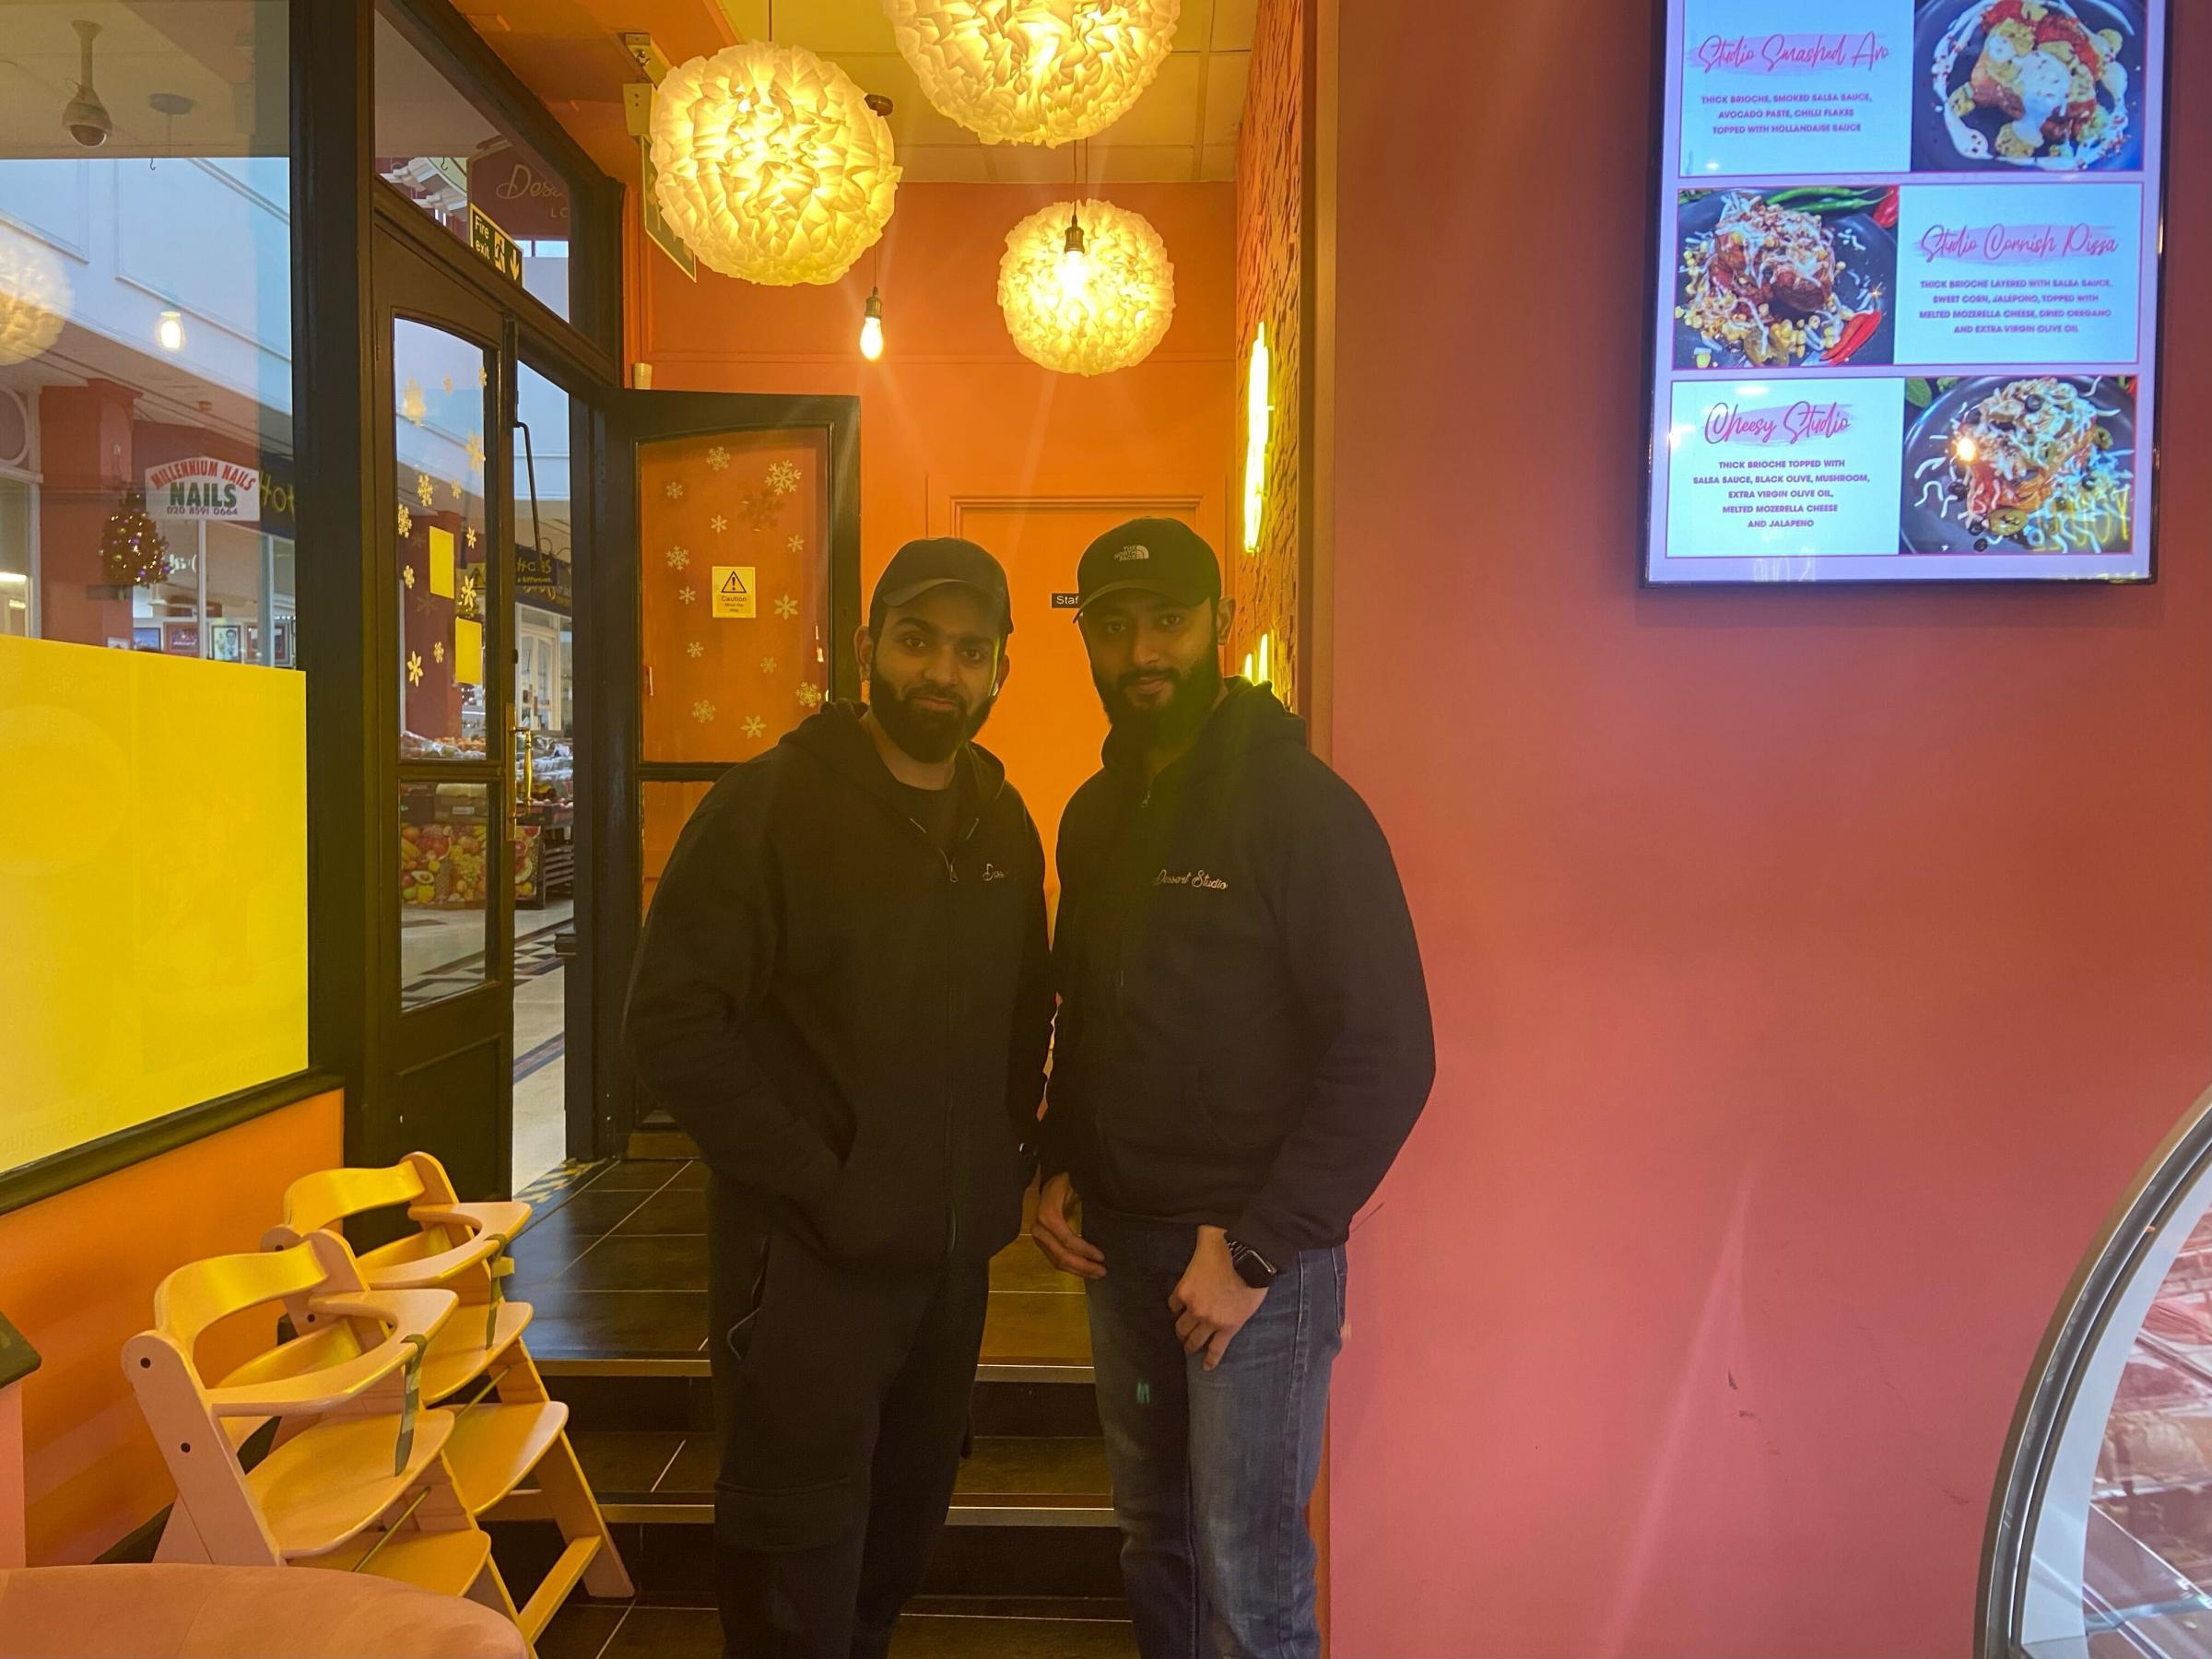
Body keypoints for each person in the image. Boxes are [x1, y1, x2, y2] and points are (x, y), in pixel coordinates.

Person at [624, 537, 1053, 1659]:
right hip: (807, 1268)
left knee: (893, 1556)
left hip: (946, 1278)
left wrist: (1008, 1162)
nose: (941, 674)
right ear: (867, 648)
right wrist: (824, 1185)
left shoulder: (1003, 825)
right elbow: (670, 1029)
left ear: (1001, 669)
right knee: (791, 1579)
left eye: (970, 651)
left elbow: (1023, 1014)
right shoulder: (768, 809)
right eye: (918, 642)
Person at [1032, 518, 1434, 1659]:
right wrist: (1059, 1155)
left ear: (1223, 624)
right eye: (1115, 626)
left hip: (1251, 1265)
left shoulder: (1301, 809)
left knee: (1250, 1582)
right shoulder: (1095, 816)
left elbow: (1389, 1053)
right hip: (1123, 1251)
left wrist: (1255, 1251)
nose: (1142, 650)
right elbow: (1090, 1007)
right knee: (1154, 1542)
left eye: (1168, 620)